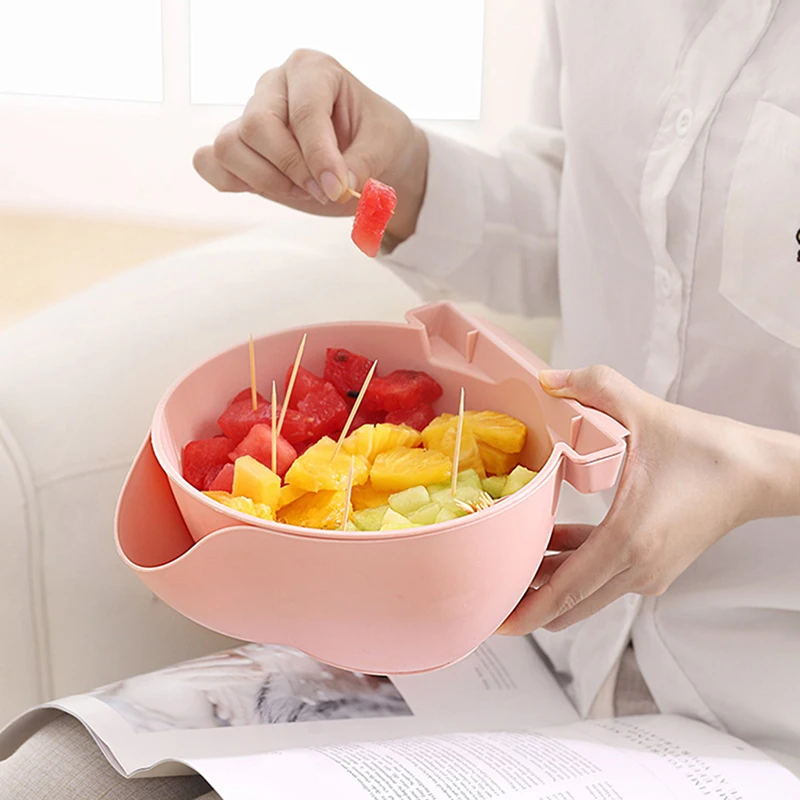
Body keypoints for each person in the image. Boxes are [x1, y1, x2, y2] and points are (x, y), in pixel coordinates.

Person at [2, 3, 799, 798]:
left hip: (767, 709)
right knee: (47, 782)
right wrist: (407, 170)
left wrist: (758, 471)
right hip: (523, 629)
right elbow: (593, 207)